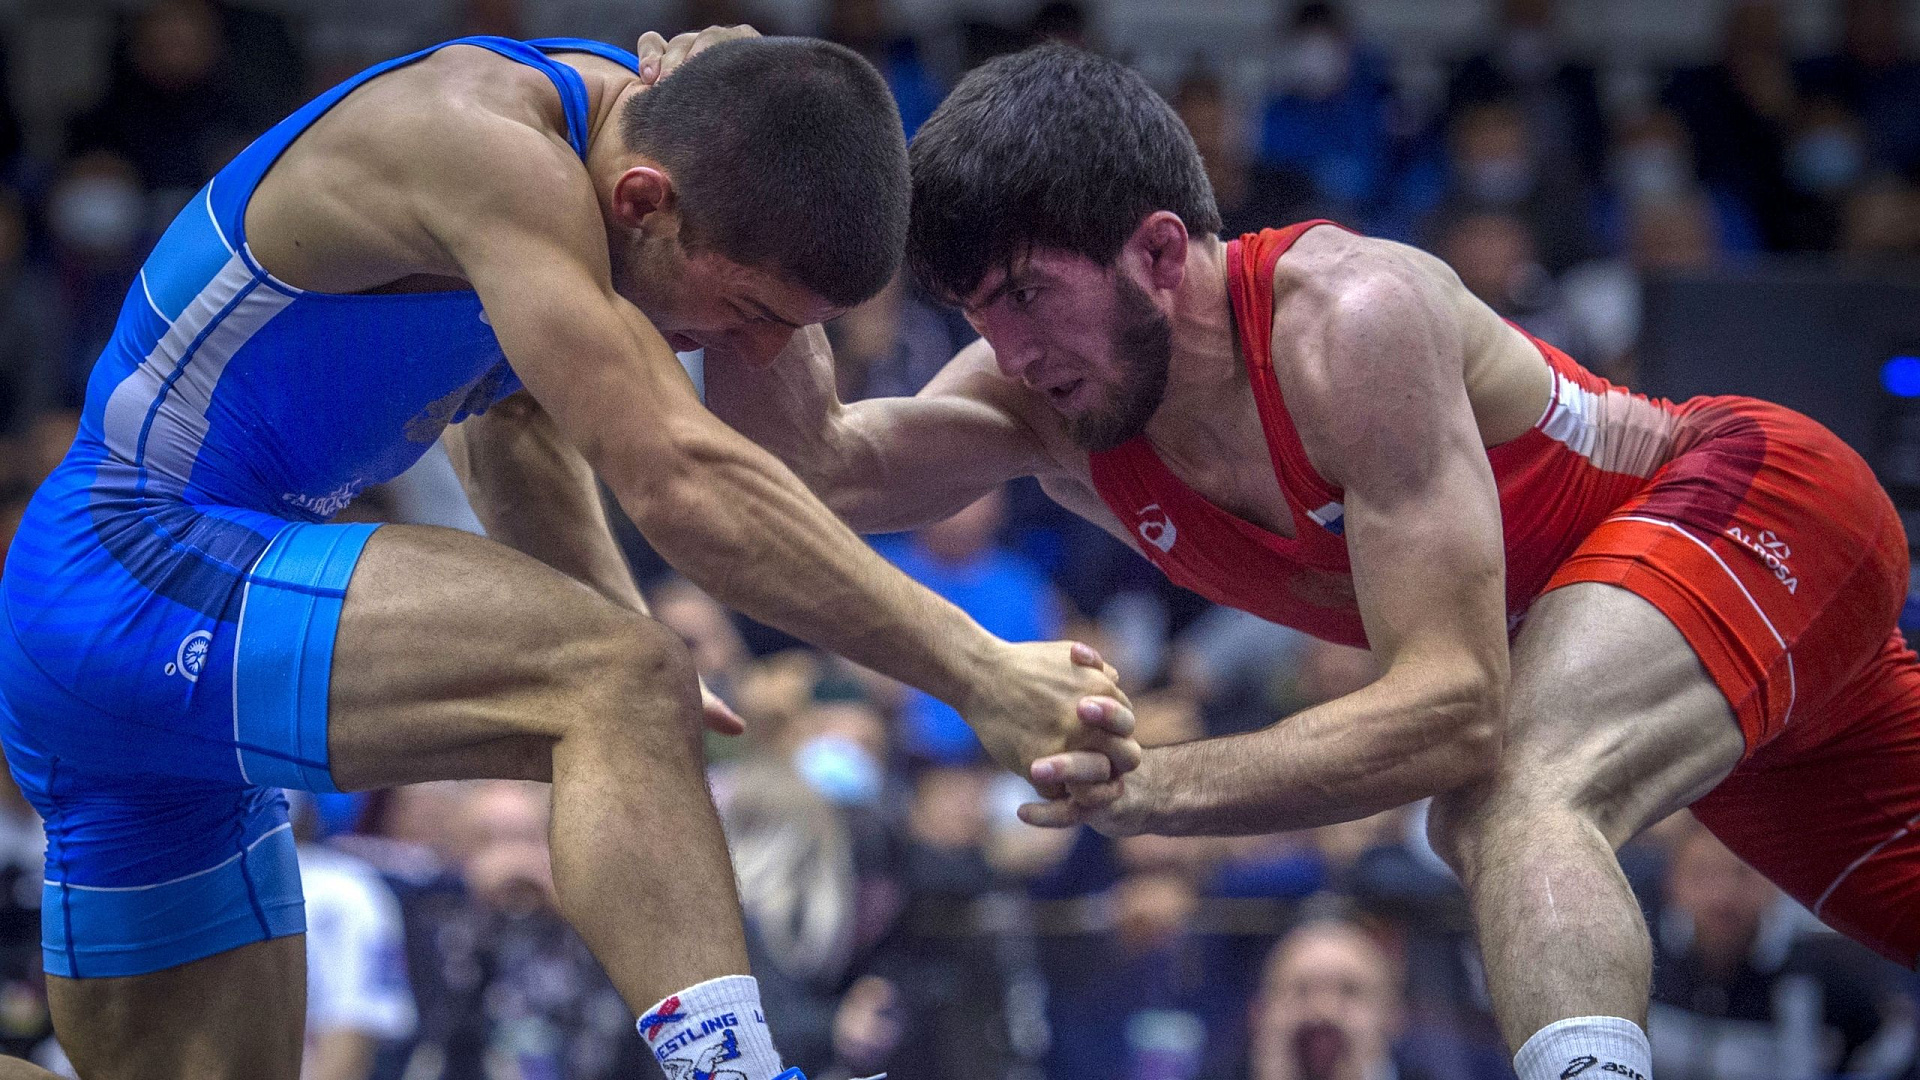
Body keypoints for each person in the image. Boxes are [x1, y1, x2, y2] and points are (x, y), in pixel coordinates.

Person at [691, 40, 1920, 1080]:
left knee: (1511, 793)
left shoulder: (1349, 321)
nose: (1010, 353)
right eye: (978, 315)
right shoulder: (1049, 405)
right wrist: (766, 202)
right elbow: (808, 468)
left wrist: (1152, 788)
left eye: (1026, 294)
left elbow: (1452, 714)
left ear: (1163, 254)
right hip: (1669, 653)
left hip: (1756, 503)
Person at [0, 27, 1140, 1080]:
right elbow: (682, 480)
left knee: (621, 676)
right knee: (615, 676)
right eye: (744, 311)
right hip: (135, 564)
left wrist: (618, 650)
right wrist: (979, 671)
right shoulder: (487, 151)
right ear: (643, 200)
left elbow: (517, 432)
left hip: (151, 633)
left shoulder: (617, 178)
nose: (741, 350)